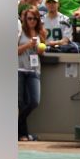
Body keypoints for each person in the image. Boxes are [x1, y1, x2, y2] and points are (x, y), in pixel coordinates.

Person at [17, 9, 46, 141]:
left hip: (34, 69)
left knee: (34, 101)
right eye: (29, 18)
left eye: (34, 19)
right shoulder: (19, 32)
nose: (32, 21)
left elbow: (41, 51)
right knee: (20, 103)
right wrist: (28, 45)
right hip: (19, 69)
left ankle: (19, 131)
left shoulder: (41, 32)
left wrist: (40, 50)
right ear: (25, 19)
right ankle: (23, 134)